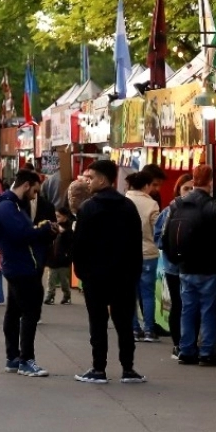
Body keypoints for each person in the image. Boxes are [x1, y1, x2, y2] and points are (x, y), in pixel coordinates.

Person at [73, 160, 146, 385]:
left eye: (90, 177)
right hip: (124, 276)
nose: (87, 181)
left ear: (103, 180)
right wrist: (134, 273)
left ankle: (98, 369)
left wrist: (82, 272)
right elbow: (136, 244)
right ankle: (128, 368)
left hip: (95, 277)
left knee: (98, 322)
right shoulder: (127, 206)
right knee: (124, 322)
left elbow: (79, 245)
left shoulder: (88, 208)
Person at [0, 170, 58, 377]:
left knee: (14, 312)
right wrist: (45, 230)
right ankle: (26, 359)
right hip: (22, 266)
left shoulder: (9, 205)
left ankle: (14, 357)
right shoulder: (7, 207)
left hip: (18, 265)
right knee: (29, 313)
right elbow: (22, 234)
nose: (36, 194)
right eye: (35, 189)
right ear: (27, 185)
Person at [163, 165, 216, 367]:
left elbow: (165, 236)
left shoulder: (177, 204)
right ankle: (207, 351)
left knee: (187, 309)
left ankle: (186, 349)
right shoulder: (214, 206)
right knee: (208, 309)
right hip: (208, 266)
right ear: (210, 182)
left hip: (184, 266)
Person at [154, 173, 193, 358]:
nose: (190, 192)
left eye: (193, 188)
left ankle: (188, 342)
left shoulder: (200, 209)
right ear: (178, 189)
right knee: (178, 304)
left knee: (190, 305)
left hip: (193, 267)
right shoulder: (169, 211)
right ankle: (178, 343)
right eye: (186, 188)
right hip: (173, 267)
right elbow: (158, 238)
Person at [125, 170, 162, 342]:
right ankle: (149, 330)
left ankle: (134, 329)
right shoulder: (152, 205)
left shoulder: (123, 201)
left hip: (127, 254)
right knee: (147, 293)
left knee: (130, 294)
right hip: (148, 253)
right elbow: (158, 229)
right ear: (146, 186)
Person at [44, 206, 75, 305]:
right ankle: (50, 296)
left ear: (65, 217)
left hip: (63, 260)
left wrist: (63, 232)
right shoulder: (54, 227)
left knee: (63, 280)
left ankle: (67, 296)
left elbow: (70, 241)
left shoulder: (69, 228)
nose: (57, 218)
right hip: (53, 259)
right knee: (51, 279)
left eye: (59, 216)